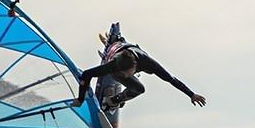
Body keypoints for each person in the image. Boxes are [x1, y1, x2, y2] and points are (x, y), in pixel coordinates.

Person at [74, 40, 206, 110]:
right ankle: (112, 46)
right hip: (116, 53)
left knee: (140, 89)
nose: (125, 75)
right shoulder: (115, 65)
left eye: (127, 72)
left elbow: (171, 79)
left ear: (135, 66)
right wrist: (80, 99)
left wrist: (191, 94)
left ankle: (113, 101)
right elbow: (86, 74)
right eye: (123, 72)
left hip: (132, 50)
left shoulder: (149, 64)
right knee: (118, 76)